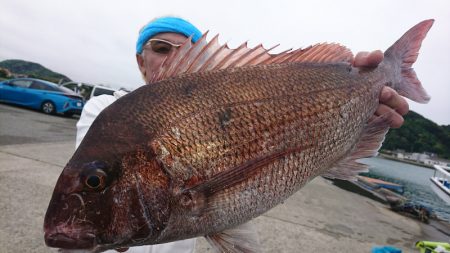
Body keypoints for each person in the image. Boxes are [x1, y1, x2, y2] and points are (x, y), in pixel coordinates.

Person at [76, 16, 410, 252]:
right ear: (140, 58)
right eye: (162, 47)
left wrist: (360, 102)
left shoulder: (237, 104)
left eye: (187, 48)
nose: (172, 58)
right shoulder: (106, 113)